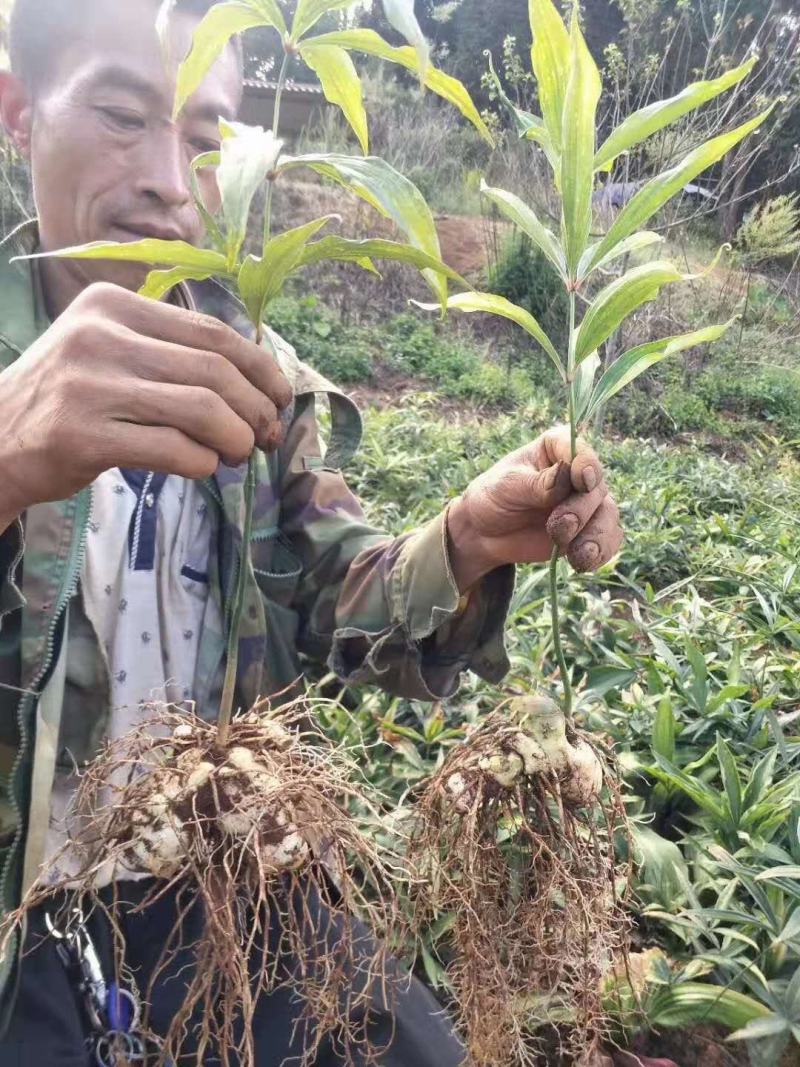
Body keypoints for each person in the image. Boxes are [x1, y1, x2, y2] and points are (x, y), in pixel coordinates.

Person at [0, 0, 624, 1063]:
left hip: (227, 869)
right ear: (17, 113)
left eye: (204, 139)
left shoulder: (255, 372)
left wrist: (464, 541)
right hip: (27, 911)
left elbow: (336, 597)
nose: (165, 177)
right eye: (120, 114)